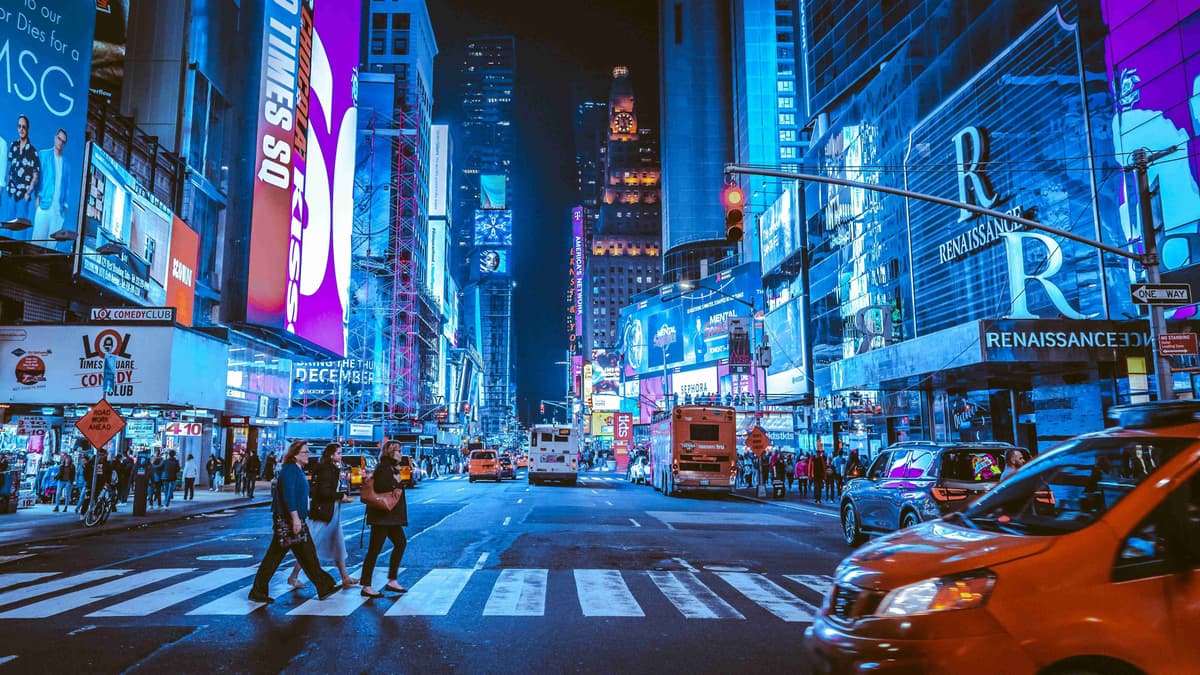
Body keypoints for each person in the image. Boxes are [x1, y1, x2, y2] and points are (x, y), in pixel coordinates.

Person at [247, 440, 337, 604]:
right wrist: (295, 518)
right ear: (295, 455)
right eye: (305, 452)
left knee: (305, 554)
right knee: (284, 555)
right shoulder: (290, 470)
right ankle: (258, 591)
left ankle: (324, 585)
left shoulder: (297, 469)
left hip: (294, 519)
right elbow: (289, 495)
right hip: (289, 520)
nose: (308, 455)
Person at [288, 443, 358, 590]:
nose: (341, 455)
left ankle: (345, 577)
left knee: (338, 545)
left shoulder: (330, 468)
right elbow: (323, 492)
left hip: (332, 513)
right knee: (310, 547)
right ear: (331, 455)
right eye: (339, 453)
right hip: (324, 514)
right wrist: (341, 496)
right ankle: (293, 577)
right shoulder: (327, 470)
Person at [360, 440, 409, 599]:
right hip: (382, 518)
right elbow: (381, 487)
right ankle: (366, 585)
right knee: (374, 550)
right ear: (391, 453)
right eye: (399, 451)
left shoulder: (390, 468)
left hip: (389, 517)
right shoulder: (384, 468)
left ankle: (392, 580)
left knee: (400, 543)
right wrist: (398, 484)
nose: (401, 454)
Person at [31, 128, 70, 249]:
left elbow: (66, 187)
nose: (60, 143)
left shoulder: (66, 165)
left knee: (51, 246)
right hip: (44, 205)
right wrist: (37, 198)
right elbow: (38, 177)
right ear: (55, 138)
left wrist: (64, 208)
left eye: (63, 141)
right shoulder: (44, 155)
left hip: (58, 211)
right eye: (59, 139)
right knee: (37, 241)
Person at [3, 114, 38, 229]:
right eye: (19, 126)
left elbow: (35, 176)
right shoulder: (13, 145)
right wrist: (8, 183)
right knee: (7, 226)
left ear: (28, 128)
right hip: (11, 193)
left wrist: (28, 193)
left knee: (20, 228)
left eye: (24, 127)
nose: (21, 129)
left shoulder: (32, 151)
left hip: (23, 196)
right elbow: (10, 167)